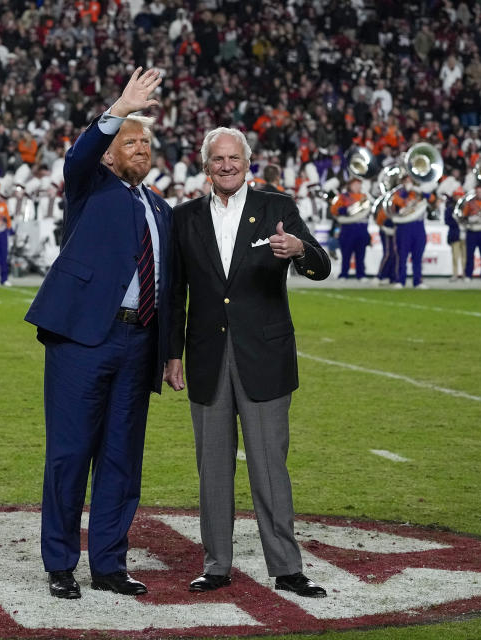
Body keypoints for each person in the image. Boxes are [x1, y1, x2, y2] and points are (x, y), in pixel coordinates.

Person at [164, 126, 330, 598]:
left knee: (269, 468)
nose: (226, 165)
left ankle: (287, 567)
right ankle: (216, 565)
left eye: (233, 157)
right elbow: (176, 294)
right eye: (217, 159)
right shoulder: (184, 217)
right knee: (212, 469)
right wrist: (171, 353)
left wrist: (300, 251)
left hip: (265, 357)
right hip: (205, 357)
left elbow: (320, 264)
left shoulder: (276, 208)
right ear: (205, 165)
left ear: (248, 161)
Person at [25, 67, 171, 599]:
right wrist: (120, 108)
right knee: (69, 452)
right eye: (130, 141)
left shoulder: (160, 208)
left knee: (121, 458)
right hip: (84, 337)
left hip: (139, 343)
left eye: (146, 142)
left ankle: (109, 563)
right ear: (110, 151)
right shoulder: (90, 184)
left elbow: (170, 285)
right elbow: (76, 156)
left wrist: (169, 353)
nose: (140, 148)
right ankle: (60, 563)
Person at [389, 174, 434, 288]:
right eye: (406, 181)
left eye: (410, 181)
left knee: (418, 256)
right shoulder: (398, 193)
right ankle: (400, 280)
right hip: (404, 227)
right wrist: (407, 196)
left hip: (418, 226)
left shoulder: (418, 192)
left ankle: (418, 281)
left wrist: (417, 190)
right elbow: (398, 203)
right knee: (402, 255)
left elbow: (432, 199)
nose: (409, 183)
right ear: (403, 182)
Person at [330, 176, 370, 279]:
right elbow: (334, 210)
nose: (358, 186)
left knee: (360, 254)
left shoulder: (364, 196)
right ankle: (344, 274)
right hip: (348, 229)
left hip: (361, 228)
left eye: (359, 184)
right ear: (350, 185)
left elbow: (367, 211)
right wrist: (345, 210)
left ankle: (361, 274)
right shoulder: (343, 197)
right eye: (355, 184)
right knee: (346, 254)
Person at [463, 184, 481, 281]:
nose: (479, 194)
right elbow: (464, 216)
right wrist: (472, 219)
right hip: (472, 231)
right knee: (470, 254)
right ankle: (468, 275)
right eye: (478, 192)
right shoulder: (470, 203)